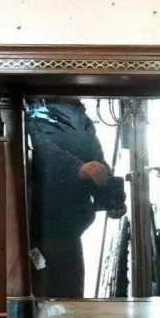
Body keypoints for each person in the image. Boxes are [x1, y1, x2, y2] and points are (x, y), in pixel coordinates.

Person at [26, 98, 126, 297]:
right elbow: (40, 147)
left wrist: (110, 200)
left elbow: (96, 161)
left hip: (70, 231)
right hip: (35, 232)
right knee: (40, 289)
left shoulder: (80, 116)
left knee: (70, 297)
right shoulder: (32, 109)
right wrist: (77, 168)